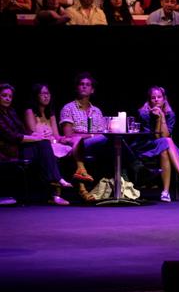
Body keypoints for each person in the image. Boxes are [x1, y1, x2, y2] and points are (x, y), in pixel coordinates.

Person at [0, 83, 72, 206]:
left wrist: (33, 135)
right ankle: (57, 181)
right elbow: (12, 136)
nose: (8, 99)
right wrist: (34, 137)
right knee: (44, 145)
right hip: (8, 150)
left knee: (45, 144)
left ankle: (56, 183)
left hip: (20, 147)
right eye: (4, 96)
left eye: (10, 96)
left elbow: (22, 129)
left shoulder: (11, 111)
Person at [131, 86, 179, 202]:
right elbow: (155, 137)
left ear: (164, 99)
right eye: (153, 98)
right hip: (146, 145)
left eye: (159, 97)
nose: (156, 100)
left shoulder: (170, 115)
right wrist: (157, 119)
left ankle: (165, 192)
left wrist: (161, 117)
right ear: (149, 100)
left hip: (162, 145)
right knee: (167, 142)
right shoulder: (144, 114)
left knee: (165, 147)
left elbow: (165, 135)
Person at [59, 72, 109, 202]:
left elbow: (102, 133)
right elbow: (68, 135)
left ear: (92, 90)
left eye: (87, 85)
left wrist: (90, 135)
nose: (84, 87)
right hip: (77, 145)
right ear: (77, 88)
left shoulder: (97, 111)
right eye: (81, 84)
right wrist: (91, 135)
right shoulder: (68, 108)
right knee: (106, 139)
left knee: (114, 142)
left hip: (97, 146)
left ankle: (123, 180)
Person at [24, 83, 73, 159]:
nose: (46, 96)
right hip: (39, 146)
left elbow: (56, 136)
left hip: (52, 144)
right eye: (42, 94)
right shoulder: (30, 112)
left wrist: (62, 139)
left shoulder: (51, 114)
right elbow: (33, 134)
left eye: (47, 93)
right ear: (36, 96)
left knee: (72, 147)